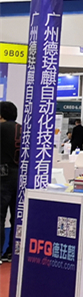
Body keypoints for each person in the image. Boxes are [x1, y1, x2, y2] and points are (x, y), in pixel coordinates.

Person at [1, 101, 19, 262]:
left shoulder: (1, 129)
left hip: (3, 176)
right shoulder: (23, 129)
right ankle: (12, 252)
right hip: (20, 177)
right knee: (17, 216)